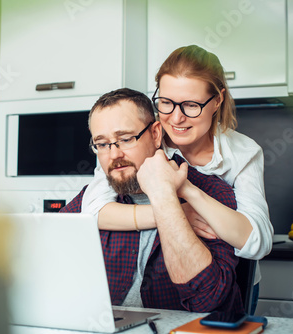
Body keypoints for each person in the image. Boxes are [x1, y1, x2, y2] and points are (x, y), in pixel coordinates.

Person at [81, 45, 274, 314]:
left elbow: (257, 242)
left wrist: (189, 192)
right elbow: (92, 210)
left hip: (232, 278)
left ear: (217, 100)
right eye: (166, 103)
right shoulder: (139, 141)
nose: (176, 117)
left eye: (191, 105)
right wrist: (171, 211)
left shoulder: (242, 152)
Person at [60, 88, 244, 313]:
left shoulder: (212, 195)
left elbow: (207, 301)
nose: (114, 154)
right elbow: (49, 268)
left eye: (126, 139)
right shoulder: (92, 198)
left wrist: (165, 199)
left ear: (156, 134)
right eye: (102, 144)